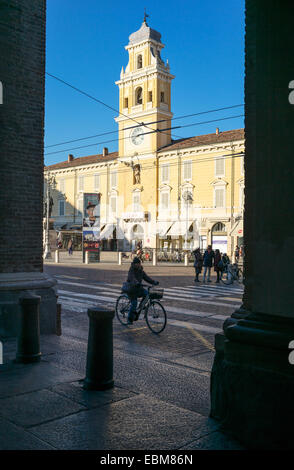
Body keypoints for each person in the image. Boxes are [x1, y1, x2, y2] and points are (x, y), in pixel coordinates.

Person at [124, 257, 158, 325]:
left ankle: (140, 306)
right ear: (134, 264)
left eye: (139, 263)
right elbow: (132, 277)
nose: (138, 265)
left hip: (138, 288)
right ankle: (129, 319)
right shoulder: (131, 270)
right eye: (136, 263)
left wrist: (153, 282)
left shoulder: (141, 270)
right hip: (131, 289)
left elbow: (146, 277)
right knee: (134, 303)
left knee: (147, 294)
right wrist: (136, 282)